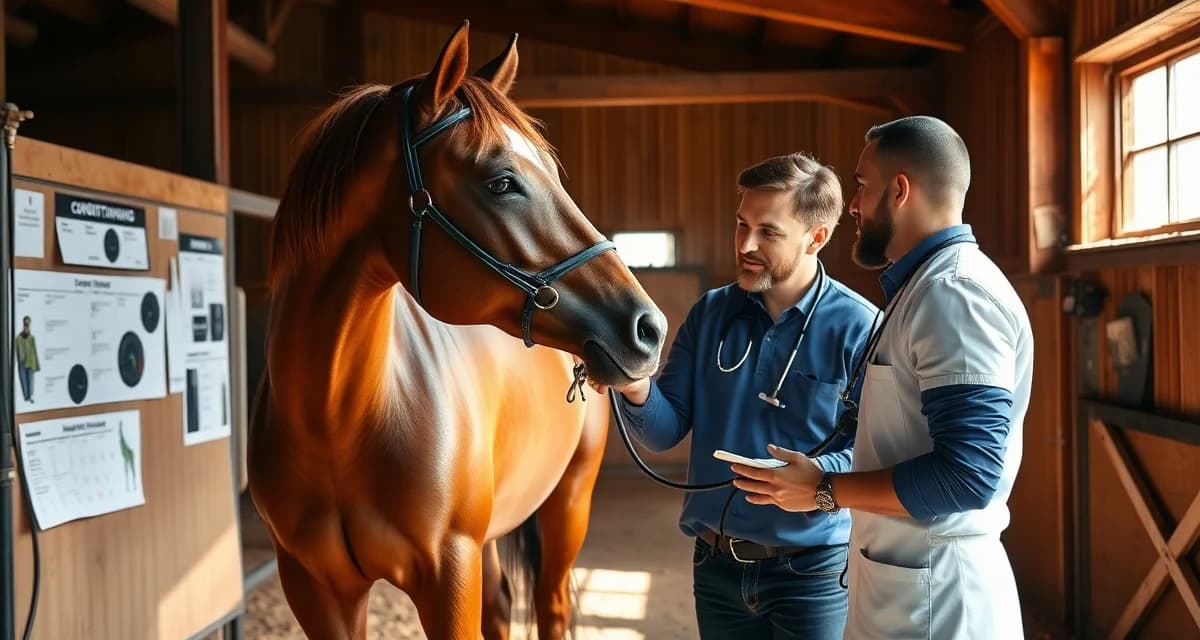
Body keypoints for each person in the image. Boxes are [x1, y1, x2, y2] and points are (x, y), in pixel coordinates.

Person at [728, 116, 1033, 639]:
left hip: (939, 601)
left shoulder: (954, 293)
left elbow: (968, 476)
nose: (852, 204)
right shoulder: (920, 286)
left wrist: (824, 490)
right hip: (901, 583)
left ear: (900, 190)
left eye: (862, 186)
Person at [599, 152, 880, 639]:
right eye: (741, 224)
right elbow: (665, 433)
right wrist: (634, 384)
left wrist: (817, 478)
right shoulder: (711, 313)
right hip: (715, 566)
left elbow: (875, 449)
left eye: (768, 232)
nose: (746, 244)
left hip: (811, 572)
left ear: (818, 237)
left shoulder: (861, 328)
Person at [16, 315, 40, 403]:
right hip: (22, 362)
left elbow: (34, 351)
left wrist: (37, 364)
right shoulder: (18, 338)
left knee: (31, 380)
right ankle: (26, 397)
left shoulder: (32, 337)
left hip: (31, 361)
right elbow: (18, 351)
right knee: (24, 380)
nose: (27, 324)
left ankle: (30, 397)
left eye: (28, 322)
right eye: (26, 322)